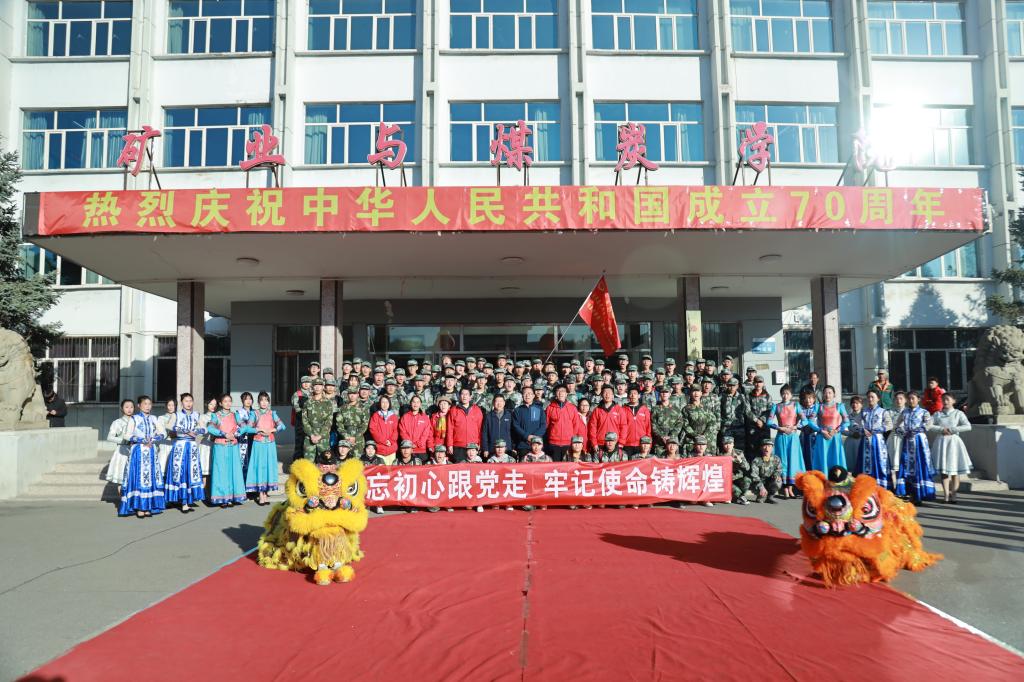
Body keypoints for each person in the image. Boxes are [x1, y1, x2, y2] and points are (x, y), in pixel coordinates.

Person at [119, 395, 166, 518]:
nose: (148, 406)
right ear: (139, 406)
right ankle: (139, 507)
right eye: (145, 404)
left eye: (149, 404)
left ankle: (148, 506)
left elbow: (163, 433)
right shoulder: (134, 419)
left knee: (150, 478)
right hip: (138, 451)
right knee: (139, 478)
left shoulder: (154, 419)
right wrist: (141, 439)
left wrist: (154, 439)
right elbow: (127, 435)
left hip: (151, 451)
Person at [928, 393, 973, 504]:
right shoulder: (937, 414)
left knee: (954, 470)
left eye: (947, 399)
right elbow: (928, 425)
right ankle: (946, 495)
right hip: (941, 442)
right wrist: (941, 429)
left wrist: (953, 429)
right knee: (944, 471)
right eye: (943, 399)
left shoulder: (958, 413)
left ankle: (954, 494)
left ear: (953, 401)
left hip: (953, 442)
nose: (945, 402)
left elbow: (968, 426)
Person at [164, 393, 204, 513]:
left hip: (192, 446)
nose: (188, 403)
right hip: (180, 446)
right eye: (186, 401)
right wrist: (186, 431)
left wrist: (196, 431)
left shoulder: (197, 414)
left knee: (190, 473)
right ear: (182, 402)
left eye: (190, 401)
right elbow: (168, 426)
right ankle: (182, 501)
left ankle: (187, 501)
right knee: (180, 473)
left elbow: (204, 428)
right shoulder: (176, 415)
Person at [895, 391, 937, 504]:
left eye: (913, 398)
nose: (911, 400)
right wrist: (903, 432)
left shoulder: (924, 412)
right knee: (907, 466)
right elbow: (897, 425)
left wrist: (917, 430)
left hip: (919, 442)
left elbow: (929, 424)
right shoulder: (904, 412)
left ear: (918, 399)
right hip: (908, 442)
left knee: (920, 466)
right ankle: (910, 493)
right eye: (909, 398)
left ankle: (921, 494)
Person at [207, 394, 247, 507]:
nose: (228, 403)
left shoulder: (235, 415)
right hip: (220, 446)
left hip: (233, 446)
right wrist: (224, 434)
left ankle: (231, 497)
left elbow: (244, 427)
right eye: (225, 401)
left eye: (229, 401)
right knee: (221, 471)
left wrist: (235, 434)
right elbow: (210, 428)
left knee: (232, 470)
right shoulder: (216, 415)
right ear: (220, 403)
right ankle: (222, 498)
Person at [246, 391, 285, 505]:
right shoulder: (254, 413)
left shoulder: (272, 413)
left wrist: (272, 430)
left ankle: (265, 493)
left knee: (268, 466)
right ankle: (260, 494)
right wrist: (258, 430)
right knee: (259, 467)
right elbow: (247, 428)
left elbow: (282, 426)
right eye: (261, 400)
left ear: (269, 402)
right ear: (258, 402)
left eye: (266, 400)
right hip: (258, 443)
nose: (264, 402)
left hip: (270, 444)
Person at [768, 384, 804, 499]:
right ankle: (784, 489)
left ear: (791, 395)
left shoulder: (796, 405)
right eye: (783, 393)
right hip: (781, 436)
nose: (785, 396)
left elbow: (805, 421)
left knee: (793, 461)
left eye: (787, 393)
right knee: (782, 462)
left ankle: (791, 488)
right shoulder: (776, 406)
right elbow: (769, 422)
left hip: (793, 438)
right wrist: (780, 428)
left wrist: (795, 427)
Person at [856, 390, 892, 488]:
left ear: (878, 398)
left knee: (879, 461)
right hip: (865, 441)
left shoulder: (883, 411)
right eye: (868, 397)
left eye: (872, 397)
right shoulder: (863, 411)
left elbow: (889, 425)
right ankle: (866, 486)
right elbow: (855, 423)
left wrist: (877, 430)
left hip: (878, 441)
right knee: (865, 462)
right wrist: (862, 430)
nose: (870, 399)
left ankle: (881, 485)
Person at [809, 385, 849, 472]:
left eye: (830, 393)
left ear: (834, 394)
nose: (827, 395)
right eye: (825, 393)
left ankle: (836, 478)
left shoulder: (839, 406)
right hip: (822, 438)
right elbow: (810, 422)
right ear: (823, 394)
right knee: (822, 459)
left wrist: (836, 430)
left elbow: (847, 422)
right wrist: (821, 431)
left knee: (836, 460)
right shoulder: (818, 407)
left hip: (835, 438)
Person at [545, 384, 584, 461]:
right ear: (555, 394)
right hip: (554, 443)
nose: (560, 393)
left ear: (566, 394)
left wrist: (571, 438)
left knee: (567, 466)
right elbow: (547, 425)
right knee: (555, 466)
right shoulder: (550, 408)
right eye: (558, 391)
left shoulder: (572, 408)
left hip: (568, 443)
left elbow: (576, 425)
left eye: (563, 391)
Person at [104, 399, 134, 493]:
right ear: (122, 408)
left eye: (131, 407)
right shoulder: (117, 422)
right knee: (122, 479)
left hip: (135, 451)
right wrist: (124, 441)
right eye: (126, 407)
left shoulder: (137, 421)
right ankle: (122, 499)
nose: (129, 409)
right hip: (122, 451)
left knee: (133, 478)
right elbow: (110, 437)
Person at [588, 386, 629, 453]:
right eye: (605, 393)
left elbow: (623, 427)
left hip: (614, 443)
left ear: (613, 396)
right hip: (600, 444)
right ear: (601, 395)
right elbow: (592, 428)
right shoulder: (597, 410)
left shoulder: (619, 409)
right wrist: (594, 443)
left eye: (609, 393)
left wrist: (621, 442)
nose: (607, 395)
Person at [302, 378, 335, 462]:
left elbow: (329, 421)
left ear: (323, 387)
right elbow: (304, 421)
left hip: (323, 437)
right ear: (312, 387)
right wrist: (311, 435)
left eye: (319, 385)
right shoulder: (307, 403)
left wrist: (320, 435)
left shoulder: (328, 403)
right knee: (308, 463)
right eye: (315, 385)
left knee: (325, 462)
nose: (317, 387)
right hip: (310, 436)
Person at [512, 386, 547, 459]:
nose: (527, 395)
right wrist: (526, 436)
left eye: (529, 393)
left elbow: (543, 425)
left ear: (533, 395)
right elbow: (516, 426)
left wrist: (535, 437)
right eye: (525, 393)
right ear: (522, 396)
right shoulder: (517, 410)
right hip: (523, 445)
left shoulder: (538, 409)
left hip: (537, 444)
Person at [337, 385, 370, 454]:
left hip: (358, 439)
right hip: (345, 439)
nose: (352, 396)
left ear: (357, 395)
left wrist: (355, 437)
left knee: (357, 459)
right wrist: (346, 436)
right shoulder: (342, 408)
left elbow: (364, 424)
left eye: (354, 393)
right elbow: (339, 423)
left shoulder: (364, 408)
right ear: (347, 395)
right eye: (350, 393)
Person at [620, 387, 652, 459]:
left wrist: (649, 443)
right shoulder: (623, 409)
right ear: (628, 396)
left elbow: (648, 427)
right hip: (627, 444)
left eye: (635, 393)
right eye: (631, 394)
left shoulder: (644, 409)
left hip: (641, 444)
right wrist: (621, 442)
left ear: (639, 396)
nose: (633, 395)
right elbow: (620, 427)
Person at [398, 394, 433, 461]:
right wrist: (410, 444)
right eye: (414, 402)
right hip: (408, 450)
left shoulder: (425, 418)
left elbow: (426, 433)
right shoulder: (405, 417)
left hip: (421, 450)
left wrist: (417, 444)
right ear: (410, 403)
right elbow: (402, 432)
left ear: (420, 404)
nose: (415, 404)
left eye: (417, 402)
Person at [745, 376, 772, 456]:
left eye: (760, 382)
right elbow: (747, 410)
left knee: (765, 447)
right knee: (752, 447)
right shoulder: (749, 396)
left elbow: (770, 410)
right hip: (752, 425)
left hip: (764, 426)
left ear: (763, 383)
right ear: (753, 383)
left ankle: (765, 463)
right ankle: (754, 463)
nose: (758, 384)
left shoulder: (767, 396)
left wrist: (762, 421)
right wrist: (756, 420)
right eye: (756, 382)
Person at [369, 395, 400, 463]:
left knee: (391, 468)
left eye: (386, 402)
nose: (385, 404)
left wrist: (391, 441)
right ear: (380, 404)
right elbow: (373, 430)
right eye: (383, 402)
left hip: (391, 448)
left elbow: (396, 430)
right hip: (380, 449)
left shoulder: (393, 416)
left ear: (389, 404)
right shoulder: (375, 416)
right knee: (381, 468)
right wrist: (383, 441)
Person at [886, 391, 907, 490]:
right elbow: (888, 425)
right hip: (893, 439)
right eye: (897, 399)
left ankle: (904, 487)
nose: (899, 401)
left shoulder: (908, 412)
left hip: (905, 439)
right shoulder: (890, 412)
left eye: (901, 398)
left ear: (905, 400)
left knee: (904, 463)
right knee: (894, 464)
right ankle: (894, 486)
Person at [482, 393, 513, 460]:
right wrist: (485, 448)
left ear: (504, 403)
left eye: (501, 401)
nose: (499, 403)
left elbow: (513, 432)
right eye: (497, 401)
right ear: (493, 403)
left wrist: (513, 447)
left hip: (507, 449)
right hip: (492, 449)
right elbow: (484, 433)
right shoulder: (488, 416)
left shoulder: (509, 415)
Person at [750, 439, 782, 504]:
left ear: (772, 448)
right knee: (760, 500)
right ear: (761, 448)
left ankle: (770, 497)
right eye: (765, 446)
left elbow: (779, 470)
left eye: (769, 446)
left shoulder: (776, 459)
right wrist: (761, 487)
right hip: (759, 482)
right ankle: (760, 496)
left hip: (770, 481)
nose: (767, 448)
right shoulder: (756, 460)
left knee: (778, 481)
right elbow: (754, 475)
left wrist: (776, 475)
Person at [722, 435, 751, 504]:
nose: (728, 446)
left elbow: (747, 468)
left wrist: (740, 461)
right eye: (725, 444)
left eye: (730, 443)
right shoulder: (719, 453)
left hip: (738, 478)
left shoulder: (739, 453)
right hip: (726, 480)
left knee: (747, 480)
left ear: (733, 444)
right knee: (736, 490)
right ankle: (739, 497)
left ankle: (738, 496)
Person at [235, 391, 257, 477]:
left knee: (254, 460)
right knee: (244, 461)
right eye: (246, 399)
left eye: (250, 399)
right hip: (243, 439)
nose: (248, 401)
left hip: (255, 438)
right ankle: (244, 481)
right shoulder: (238, 413)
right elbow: (241, 427)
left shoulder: (256, 412)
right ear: (242, 401)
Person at [197, 397, 217, 487]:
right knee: (205, 469)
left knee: (214, 469)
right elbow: (201, 431)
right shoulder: (202, 417)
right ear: (206, 404)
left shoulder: (218, 416)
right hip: (206, 444)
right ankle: (203, 489)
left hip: (216, 444)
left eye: (215, 404)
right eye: (211, 404)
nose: (213, 406)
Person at [798, 389, 818, 472]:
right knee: (803, 452)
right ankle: (803, 470)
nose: (808, 400)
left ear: (814, 399)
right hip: (803, 433)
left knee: (813, 453)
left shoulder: (817, 408)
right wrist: (800, 426)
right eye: (806, 398)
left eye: (810, 398)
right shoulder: (800, 409)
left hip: (813, 434)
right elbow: (798, 422)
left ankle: (813, 470)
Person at [156, 398, 176, 478]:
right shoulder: (161, 418)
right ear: (166, 406)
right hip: (165, 443)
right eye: (169, 405)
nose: (171, 407)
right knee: (163, 465)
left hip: (175, 443)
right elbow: (160, 431)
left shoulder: (178, 417)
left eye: (173, 405)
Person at [843, 395, 864, 472]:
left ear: (861, 405)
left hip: (862, 441)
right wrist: (851, 434)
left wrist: (861, 433)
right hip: (851, 443)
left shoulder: (865, 416)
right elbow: (841, 429)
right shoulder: (847, 417)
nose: (855, 405)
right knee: (851, 464)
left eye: (857, 403)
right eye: (853, 403)